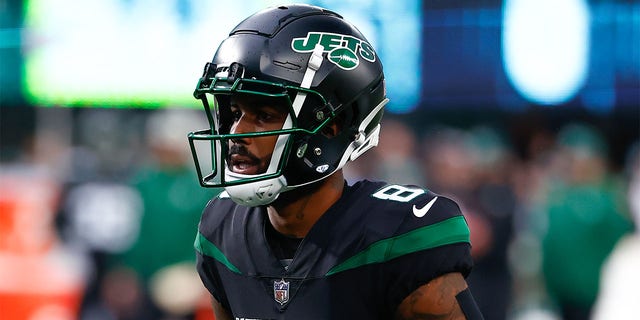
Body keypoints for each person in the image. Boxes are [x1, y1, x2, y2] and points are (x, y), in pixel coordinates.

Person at [187, 4, 483, 319]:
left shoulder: (397, 238)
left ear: (330, 128)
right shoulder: (222, 230)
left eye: (263, 115)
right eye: (233, 113)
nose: (237, 133)